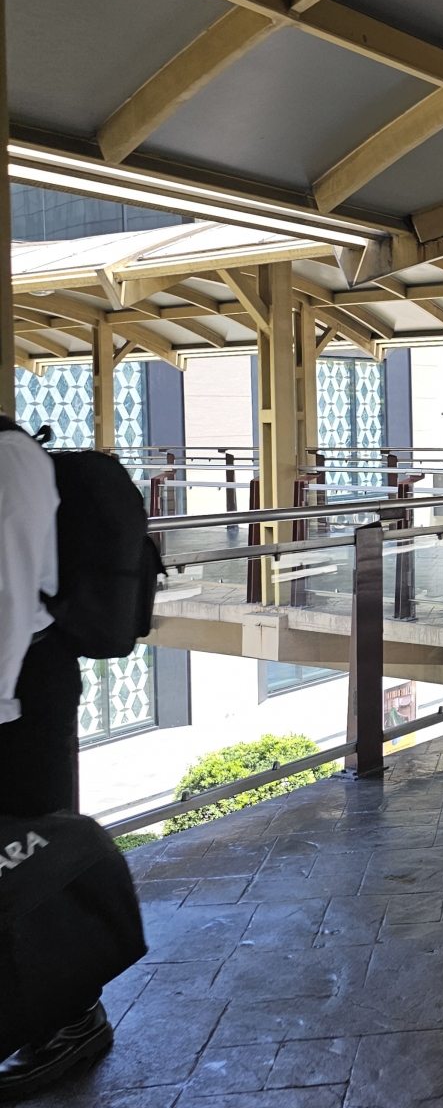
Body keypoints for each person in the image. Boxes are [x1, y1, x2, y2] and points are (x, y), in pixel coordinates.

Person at [0, 415, 115, 1098]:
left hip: (23, 688)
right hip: (11, 685)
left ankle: (71, 1017)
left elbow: (11, 593)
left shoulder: (9, 457)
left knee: (36, 853)